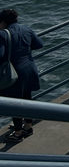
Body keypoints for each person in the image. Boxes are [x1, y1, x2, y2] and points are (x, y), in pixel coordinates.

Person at [0, 8, 43, 142]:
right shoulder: (26, 29)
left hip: (15, 74)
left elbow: (1, 56)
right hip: (29, 68)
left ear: (3, 22)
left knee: (14, 103)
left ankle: (18, 133)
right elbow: (39, 44)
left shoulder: (2, 34)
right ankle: (28, 126)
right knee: (27, 98)